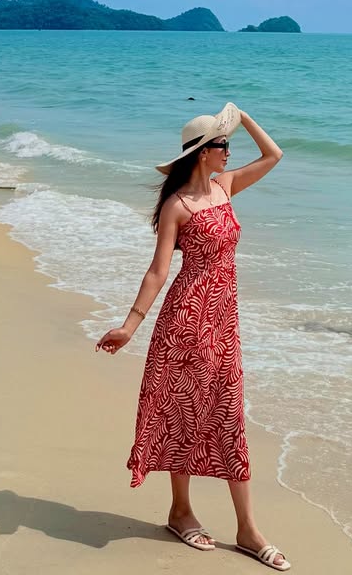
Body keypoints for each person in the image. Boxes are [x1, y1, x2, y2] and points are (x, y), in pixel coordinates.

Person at [96, 103, 290, 569]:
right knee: (185, 414)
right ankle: (181, 512)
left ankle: (246, 529)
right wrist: (129, 326)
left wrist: (242, 119)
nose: (229, 152)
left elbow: (274, 155)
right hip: (185, 323)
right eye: (223, 145)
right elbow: (158, 271)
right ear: (204, 153)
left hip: (223, 324)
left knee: (227, 417)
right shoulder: (176, 206)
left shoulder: (226, 188)